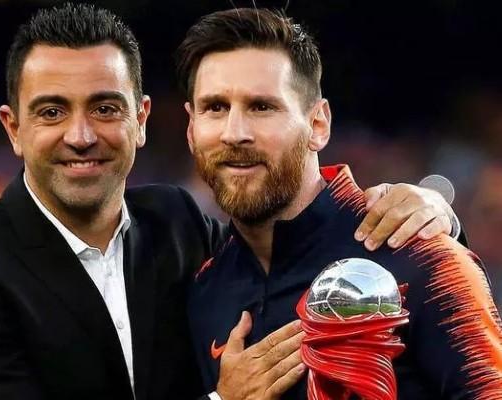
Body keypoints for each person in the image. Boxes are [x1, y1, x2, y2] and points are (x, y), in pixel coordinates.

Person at [0, 3, 463, 400]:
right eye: (52, 112)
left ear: (142, 119)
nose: (81, 135)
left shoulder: (178, 223)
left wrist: (432, 209)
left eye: (105, 108)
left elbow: (288, 240)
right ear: (13, 128)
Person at [179, 8, 502, 400]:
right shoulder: (205, 290)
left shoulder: (422, 255)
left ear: (318, 125)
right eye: (215, 107)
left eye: (262, 107)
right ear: (192, 129)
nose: (234, 133)